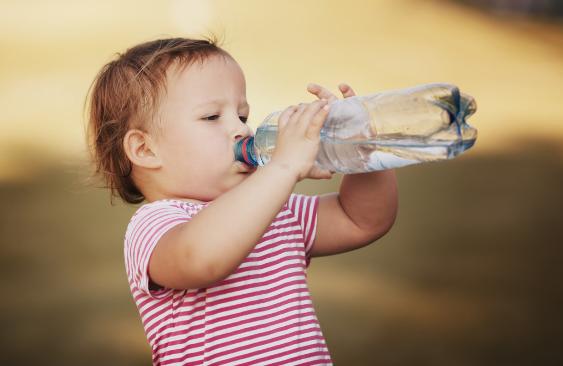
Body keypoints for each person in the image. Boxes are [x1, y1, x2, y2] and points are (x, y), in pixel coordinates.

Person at [86, 36, 398, 366]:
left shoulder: (276, 208)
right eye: (211, 117)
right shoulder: (156, 225)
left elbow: (362, 220)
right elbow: (201, 259)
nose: (241, 130)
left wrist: (361, 155)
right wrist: (283, 167)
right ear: (145, 150)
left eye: (243, 116)